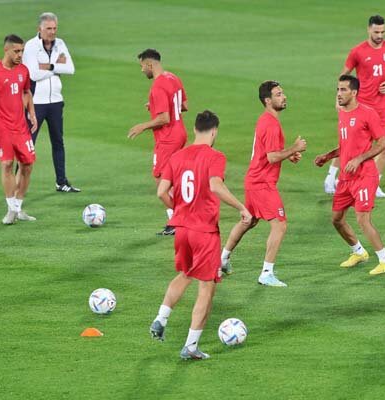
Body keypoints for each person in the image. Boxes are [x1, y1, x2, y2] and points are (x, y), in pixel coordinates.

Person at [149, 110, 252, 360]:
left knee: (185, 274)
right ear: (214, 131)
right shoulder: (215, 156)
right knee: (206, 288)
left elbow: (162, 191)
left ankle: (161, 317)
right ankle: (191, 346)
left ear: (195, 129)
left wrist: (178, 210)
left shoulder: (177, 156)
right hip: (204, 232)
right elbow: (216, 185)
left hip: (182, 229)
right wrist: (241, 207)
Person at [219, 81, 306, 287]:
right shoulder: (270, 123)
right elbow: (272, 157)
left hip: (255, 179)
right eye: (278, 94)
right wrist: (294, 148)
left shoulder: (267, 121)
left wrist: (288, 155)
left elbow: (269, 153)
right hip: (262, 183)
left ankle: (222, 259)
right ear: (268, 100)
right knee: (280, 225)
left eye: (283, 93)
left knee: (248, 220)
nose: (283, 97)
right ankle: (266, 273)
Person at [314, 75, 385, 275]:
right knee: (336, 219)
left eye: (343, 90)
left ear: (354, 92)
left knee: (362, 218)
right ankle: (358, 251)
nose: (339, 94)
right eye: (337, 90)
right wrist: (328, 156)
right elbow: (345, 145)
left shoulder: (368, 114)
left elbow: (382, 143)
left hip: (364, 175)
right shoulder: (342, 114)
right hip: (346, 177)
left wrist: (359, 159)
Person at [325, 15, 385, 198]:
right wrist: (339, 98)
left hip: (382, 106)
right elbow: (344, 75)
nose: (380, 35)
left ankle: (374, 184)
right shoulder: (358, 51)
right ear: (368, 30)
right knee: (349, 143)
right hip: (361, 105)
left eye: (383, 32)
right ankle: (331, 177)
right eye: (376, 32)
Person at [0, 34, 37, 225]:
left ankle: (18, 207)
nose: (20, 54)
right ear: (6, 49)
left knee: (27, 165)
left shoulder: (23, 71)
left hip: (20, 127)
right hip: (1, 127)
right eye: (17, 51)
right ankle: (11, 209)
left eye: (22, 51)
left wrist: (32, 113)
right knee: (6, 165)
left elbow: (26, 92)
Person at [128, 49, 188, 236]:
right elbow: (184, 106)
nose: (142, 70)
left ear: (149, 64)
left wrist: (143, 126)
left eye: (142, 66)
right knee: (170, 178)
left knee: (160, 179)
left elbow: (164, 118)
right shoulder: (173, 78)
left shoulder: (158, 86)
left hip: (168, 137)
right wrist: (154, 105)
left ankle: (177, 220)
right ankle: (177, 219)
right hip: (180, 133)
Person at [23, 12, 80, 193]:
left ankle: (61, 182)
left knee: (58, 142)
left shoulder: (60, 44)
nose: (52, 32)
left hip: (56, 101)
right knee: (28, 144)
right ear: (39, 29)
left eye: (55, 28)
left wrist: (49, 66)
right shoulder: (31, 46)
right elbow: (33, 74)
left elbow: (70, 69)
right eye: (48, 28)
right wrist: (56, 68)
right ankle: (19, 182)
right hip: (36, 103)